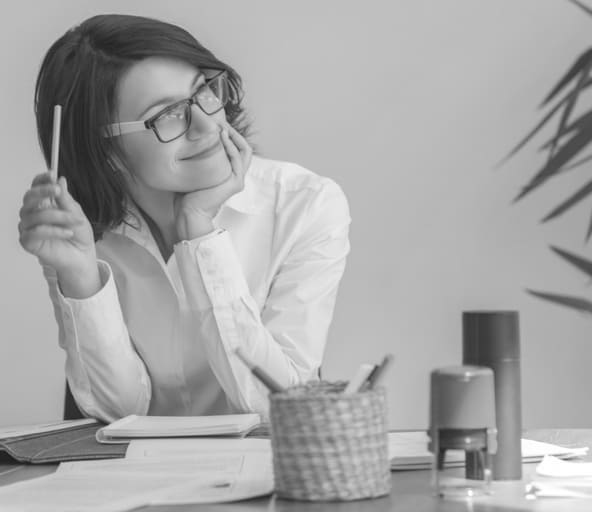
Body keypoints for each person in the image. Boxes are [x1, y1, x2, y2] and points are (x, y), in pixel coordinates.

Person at [18, 14, 351, 422]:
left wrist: (201, 234)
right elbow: (117, 413)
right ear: (103, 148)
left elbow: (280, 405)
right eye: (168, 115)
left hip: (266, 474)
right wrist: (81, 277)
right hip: (132, 479)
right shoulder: (74, 230)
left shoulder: (305, 205)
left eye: (205, 92)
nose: (208, 124)